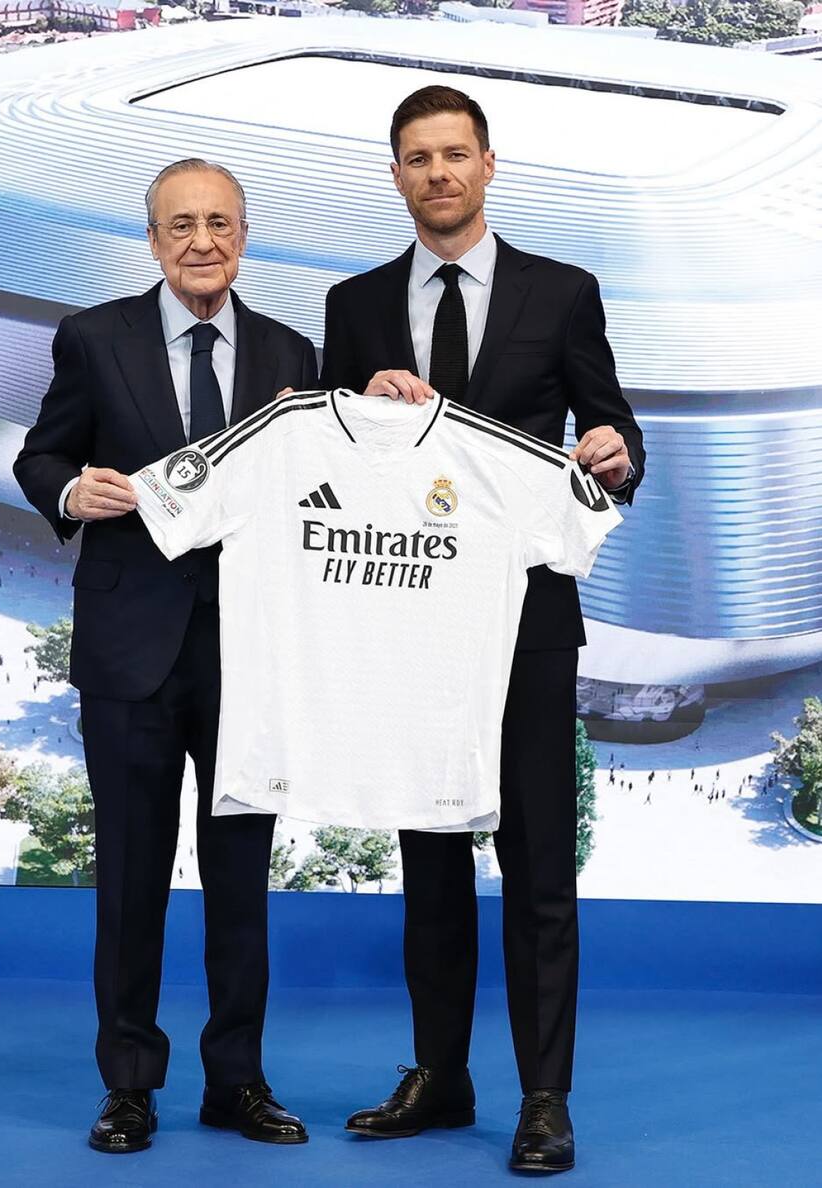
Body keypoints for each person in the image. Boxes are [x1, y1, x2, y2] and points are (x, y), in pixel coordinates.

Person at [320, 86, 644, 1174]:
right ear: (396, 175)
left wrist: (612, 453)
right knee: (429, 866)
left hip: (528, 625)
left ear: (489, 165)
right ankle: (440, 1076)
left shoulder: (563, 294)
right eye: (416, 157)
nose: (437, 174)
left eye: (454, 154)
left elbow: (614, 430)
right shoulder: (353, 305)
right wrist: (358, 407)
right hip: (407, 629)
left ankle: (543, 1097)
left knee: (538, 870)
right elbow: (332, 471)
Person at [14, 159, 317, 1154]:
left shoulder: (289, 351)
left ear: (243, 235)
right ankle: (130, 1089)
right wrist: (70, 493)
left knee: (240, 884)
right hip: (128, 653)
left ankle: (236, 1083)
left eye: (219, 223)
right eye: (179, 223)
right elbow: (40, 455)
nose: (201, 240)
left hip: (248, 656)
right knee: (131, 882)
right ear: (151, 239)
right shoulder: (92, 337)